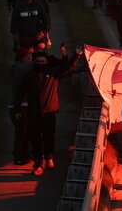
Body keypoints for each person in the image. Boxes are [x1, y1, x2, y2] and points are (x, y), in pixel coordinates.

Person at [18, 45, 81, 176]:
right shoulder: (29, 76)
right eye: (38, 62)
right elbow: (20, 93)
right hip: (34, 111)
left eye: (43, 62)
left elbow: (67, 68)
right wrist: (17, 108)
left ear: (46, 62)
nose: (40, 64)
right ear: (34, 63)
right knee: (35, 138)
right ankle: (38, 163)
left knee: (49, 136)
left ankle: (49, 157)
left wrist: (75, 55)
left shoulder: (53, 73)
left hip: (50, 110)